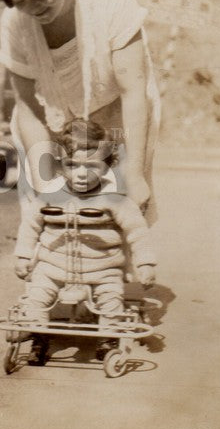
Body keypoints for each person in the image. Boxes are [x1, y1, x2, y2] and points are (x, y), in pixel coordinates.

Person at [0, 0, 161, 222]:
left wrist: (134, 174)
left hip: (119, 116)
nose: (32, 9)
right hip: (51, 124)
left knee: (118, 222)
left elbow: (133, 90)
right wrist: (45, 185)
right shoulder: (14, 23)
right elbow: (29, 109)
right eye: (20, 2)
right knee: (50, 226)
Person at [12, 118, 157, 358]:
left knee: (111, 299)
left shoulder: (116, 200)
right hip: (52, 266)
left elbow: (137, 231)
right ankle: (37, 335)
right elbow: (30, 226)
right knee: (36, 295)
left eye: (91, 166)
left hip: (103, 268)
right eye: (72, 165)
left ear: (107, 166)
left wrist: (146, 263)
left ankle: (108, 340)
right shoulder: (49, 196)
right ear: (60, 165)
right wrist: (23, 256)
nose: (81, 174)